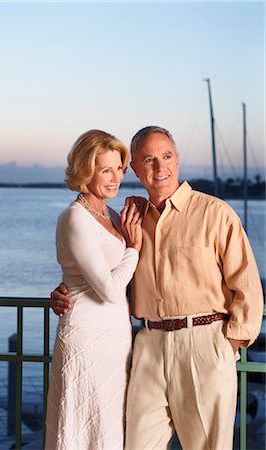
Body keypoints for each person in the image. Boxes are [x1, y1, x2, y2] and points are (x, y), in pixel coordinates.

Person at [50, 126, 263, 450]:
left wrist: (227, 347)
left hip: (203, 345)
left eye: (166, 157)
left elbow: (246, 286)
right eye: (149, 160)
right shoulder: (132, 219)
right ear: (135, 168)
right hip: (146, 346)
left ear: (177, 160)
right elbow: (101, 270)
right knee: (136, 444)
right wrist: (66, 291)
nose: (160, 167)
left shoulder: (215, 214)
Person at [45, 129, 142, 450]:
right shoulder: (74, 218)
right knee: (81, 426)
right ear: (85, 171)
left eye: (119, 169)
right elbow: (111, 290)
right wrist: (134, 248)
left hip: (117, 339)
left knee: (109, 431)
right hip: (86, 336)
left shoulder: (112, 215)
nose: (116, 178)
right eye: (106, 170)